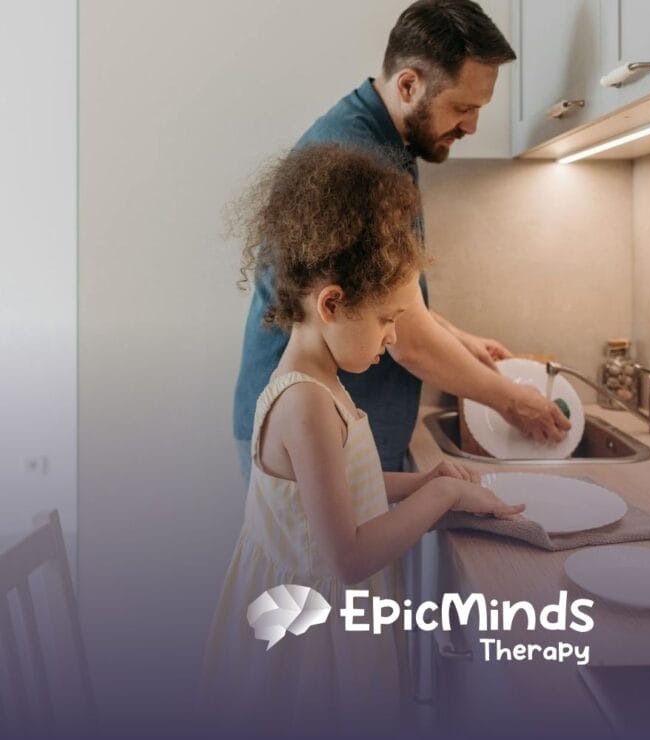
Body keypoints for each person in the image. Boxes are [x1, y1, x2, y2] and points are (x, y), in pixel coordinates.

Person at [200, 144, 524, 735]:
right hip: (306, 643)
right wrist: (440, 500)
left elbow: (341, 489)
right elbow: (347, 557)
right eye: (386, 321)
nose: (393, 338)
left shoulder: (320, 380)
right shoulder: (306, 403)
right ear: (332, 303)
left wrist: (424, 480)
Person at [233, 0, 570, 476]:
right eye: (463, 107)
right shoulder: (361, 158)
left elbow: (383, 292)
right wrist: (513, 401)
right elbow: (408, 342)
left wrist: (458, 338)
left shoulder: (389, 140)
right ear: (409, 84)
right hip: (309, 438)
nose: (472, 126)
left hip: (328, 431)